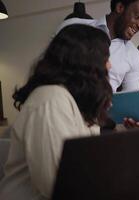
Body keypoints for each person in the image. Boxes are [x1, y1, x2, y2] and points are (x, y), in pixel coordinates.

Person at [0, 24, 112, 200]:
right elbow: (56, 185)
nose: (110, 65)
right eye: (105, 58)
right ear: (85, 62)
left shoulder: (79, 103)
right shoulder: (50, 99)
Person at [58, 0, 139, 92]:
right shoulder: (71, 27)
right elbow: (49, 69)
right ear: (120, 7)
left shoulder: (134, 56)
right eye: (138, 17)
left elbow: (129, 103)